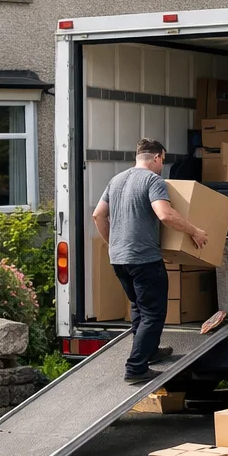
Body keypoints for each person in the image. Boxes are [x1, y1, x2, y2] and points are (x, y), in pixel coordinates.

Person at [92, 138, 208, 383]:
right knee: (153, 314)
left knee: (139, 308)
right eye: (162, 161)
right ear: (156, 157)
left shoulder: (116, 180)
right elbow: (165, 214)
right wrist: (194, 231)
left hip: (119, 259)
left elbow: (98, 215)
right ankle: (136, 368)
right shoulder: (153, 180)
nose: (162, 166)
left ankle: (150, 352)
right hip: (144, 259)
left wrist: (113, 243)